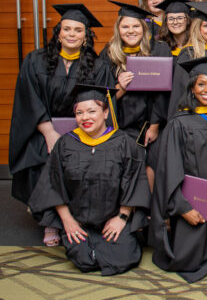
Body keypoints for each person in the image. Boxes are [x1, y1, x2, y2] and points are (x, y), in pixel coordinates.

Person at [9, 3, 112, 246]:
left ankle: (74, 218)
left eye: (78, 30)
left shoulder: (97, 66)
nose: (72, 34)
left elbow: (101, 104)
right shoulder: (35, 61)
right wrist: (48, 132)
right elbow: (29, 99)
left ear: (86, 36)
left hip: (82, 130)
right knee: (41, 159)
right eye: (67, 29)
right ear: (58, 32)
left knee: (80, 160)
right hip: (42, 128)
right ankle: (49, 222)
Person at [28, 84, 150, 275]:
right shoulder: (66, 144)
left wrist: (122, 218)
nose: (85, 118)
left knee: (126, 257)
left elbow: (135, 181)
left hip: (113, 218)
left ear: (106, 112)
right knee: (84, 260)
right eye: (79, 113)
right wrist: (68, 221)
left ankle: (115, 237)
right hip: (79, 221)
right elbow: (52, 184)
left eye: (92, 111)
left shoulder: (123, 143)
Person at [150, 55, 207, 283]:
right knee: (190, 259)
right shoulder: (180, 123)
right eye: (201, 84)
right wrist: (182, 207)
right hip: (191, 201)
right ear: (192, 87)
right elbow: (169, 170)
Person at [99, 1, 171, 183]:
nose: (130, 31)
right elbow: (100, 97)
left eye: (135, 26)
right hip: (121, 123)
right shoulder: (108, 54)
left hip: (152, 122)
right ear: (118, 29)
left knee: (153, 161)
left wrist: (154, 126)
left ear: (144, 28)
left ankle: (148, 209)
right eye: (125, 26)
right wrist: (120, 88)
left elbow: (163, 92)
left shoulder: (159, 50)